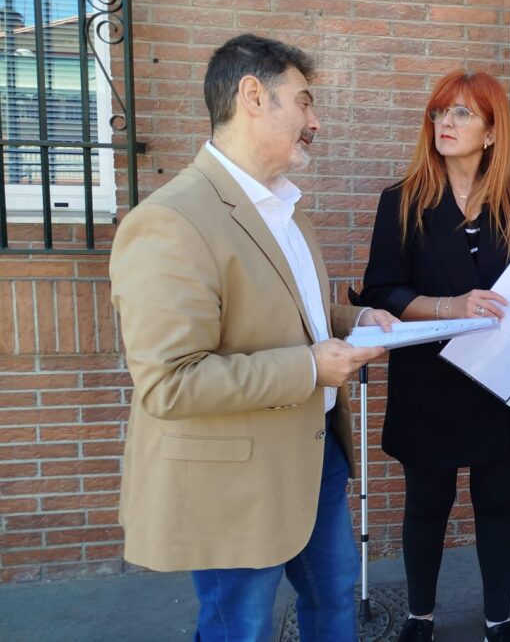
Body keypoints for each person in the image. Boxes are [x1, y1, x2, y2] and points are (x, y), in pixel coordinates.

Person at [110, 34, 397, 641]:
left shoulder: (288, 212)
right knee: (239, 626)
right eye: (304, 101)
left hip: (315, 456)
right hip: (237, 481)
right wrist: (310, 369)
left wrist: (359, 321)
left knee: (335, 601)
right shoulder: (170, 220)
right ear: (252, 97)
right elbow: (169, 382)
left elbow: (302, 318)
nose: (314, 121)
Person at [358, 70, 510, 642]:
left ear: (490, 131)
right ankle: (419, 617)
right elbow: (382, 291)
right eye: (439, 113)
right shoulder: (401, 201)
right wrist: (448, 303)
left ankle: (498, 618)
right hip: (429, 380)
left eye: (461, 113)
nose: (445, 123)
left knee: (496, 506)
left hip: (497, 379)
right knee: (426, 507)